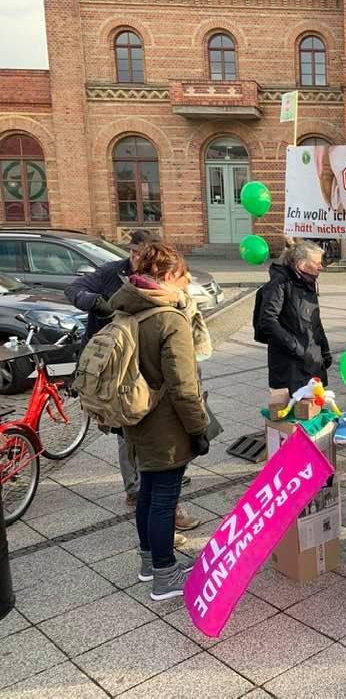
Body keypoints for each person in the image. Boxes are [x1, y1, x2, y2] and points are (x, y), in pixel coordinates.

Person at [64, 231, 199, 531]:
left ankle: (149, 551)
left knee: (149, 480)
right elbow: (182, 385)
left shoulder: (142, 299)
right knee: (157, 484)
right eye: (135, 252)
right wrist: (198, 428)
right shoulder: (124, 282)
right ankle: (160, 556)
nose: (138, 257)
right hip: (136, 392)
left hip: (136, 389)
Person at [109, 242, 210, 600]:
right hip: (166, 424)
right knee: (165, 498)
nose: (186, 284)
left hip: (135, 417)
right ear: (167, 276)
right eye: (183, 276)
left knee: (148, 494)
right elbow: (184, 387)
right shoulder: (169, 319)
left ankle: (150, 562)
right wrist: (198, 429)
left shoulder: (128, 309)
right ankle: (166, 576)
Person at [259, 240, 332, 395]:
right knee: (294, 414)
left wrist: (325, 351)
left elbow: (315, 323)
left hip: (312, 361)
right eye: (317, 263)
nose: (321, 267)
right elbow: (267, 321)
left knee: (314, 412)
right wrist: (295, 347)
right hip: (289, 365)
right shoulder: (279, 284)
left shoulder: (308, 283)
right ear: (301, 264)